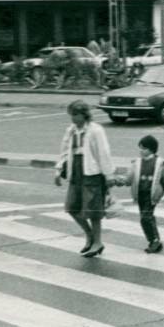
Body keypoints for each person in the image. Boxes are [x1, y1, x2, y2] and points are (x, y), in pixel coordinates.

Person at [54, 99, 115, 257]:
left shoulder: (96, 130)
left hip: (92, 172)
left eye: (76, 115)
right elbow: (64, 150)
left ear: (84, 115)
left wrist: (108, 174)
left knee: (93, 210)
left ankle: (98, 242)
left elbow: (103, 153)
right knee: (72, 207)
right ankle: (90, 235)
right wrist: (58, 169)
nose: (73, 118)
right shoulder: (71, 130)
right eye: (71, 115)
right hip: (76, 171)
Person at [111, 135, 164, 253]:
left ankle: (154, 241)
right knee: (146, 217)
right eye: (140, 148)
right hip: (140, 194)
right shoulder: (136, 163)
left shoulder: (160, 163)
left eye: (144, 148)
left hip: (152, 195)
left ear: (151, 149)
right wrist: (117, 181)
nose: (141, 151)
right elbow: (129, 178)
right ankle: (154, 240)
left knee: (146, 217)